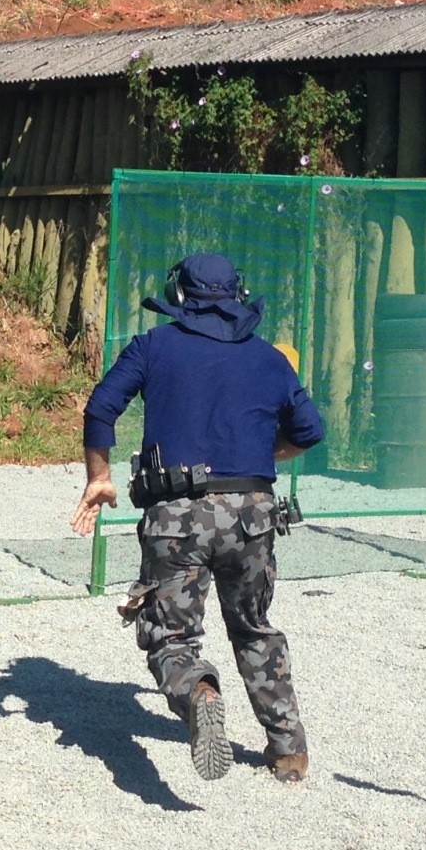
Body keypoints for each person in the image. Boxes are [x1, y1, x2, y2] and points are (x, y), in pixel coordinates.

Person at [73, 253, 327, 785]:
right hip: (253, 514)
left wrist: (99, 476)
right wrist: (258, 458)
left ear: (180, 294)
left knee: (171, 637)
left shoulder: (153, 345)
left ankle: (198, 689)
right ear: (239, 294)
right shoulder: (269, 358)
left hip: (176, 516)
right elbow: (309, 431)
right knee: (254, 627)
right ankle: (288, 750)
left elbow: (100, 408)